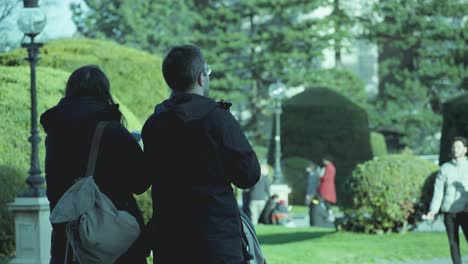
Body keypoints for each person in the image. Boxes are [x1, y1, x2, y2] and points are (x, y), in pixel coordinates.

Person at [142, 45, 260, 264]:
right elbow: (249, 175)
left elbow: (143, 179)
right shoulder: (218, 119)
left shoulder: (154, 124)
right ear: (200, 78)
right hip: (216, 241)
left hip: (170, 242)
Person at [40, 65, 151, 263]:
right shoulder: (113, 130)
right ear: (103, 92)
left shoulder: (55, 134)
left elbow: (55, 186)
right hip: (112, 241)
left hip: (68, 241)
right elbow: (140, 183)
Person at [423, 136, 468, 264]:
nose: (455, 149)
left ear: (465, 149)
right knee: (453, 244)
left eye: (458, 147)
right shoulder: (445, 168)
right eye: (453, 147)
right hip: (449, 212)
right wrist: (433, 211)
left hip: (465, 212)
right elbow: (438, 192)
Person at [319, 154, 337, 222]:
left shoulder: (328, 167)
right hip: (329, 186)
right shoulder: (332, 167)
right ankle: (330, 214)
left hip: (326, 187)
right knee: (326, 201)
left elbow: (325, 177)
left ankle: (330, 215)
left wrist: (320, 175)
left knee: (326, 201)